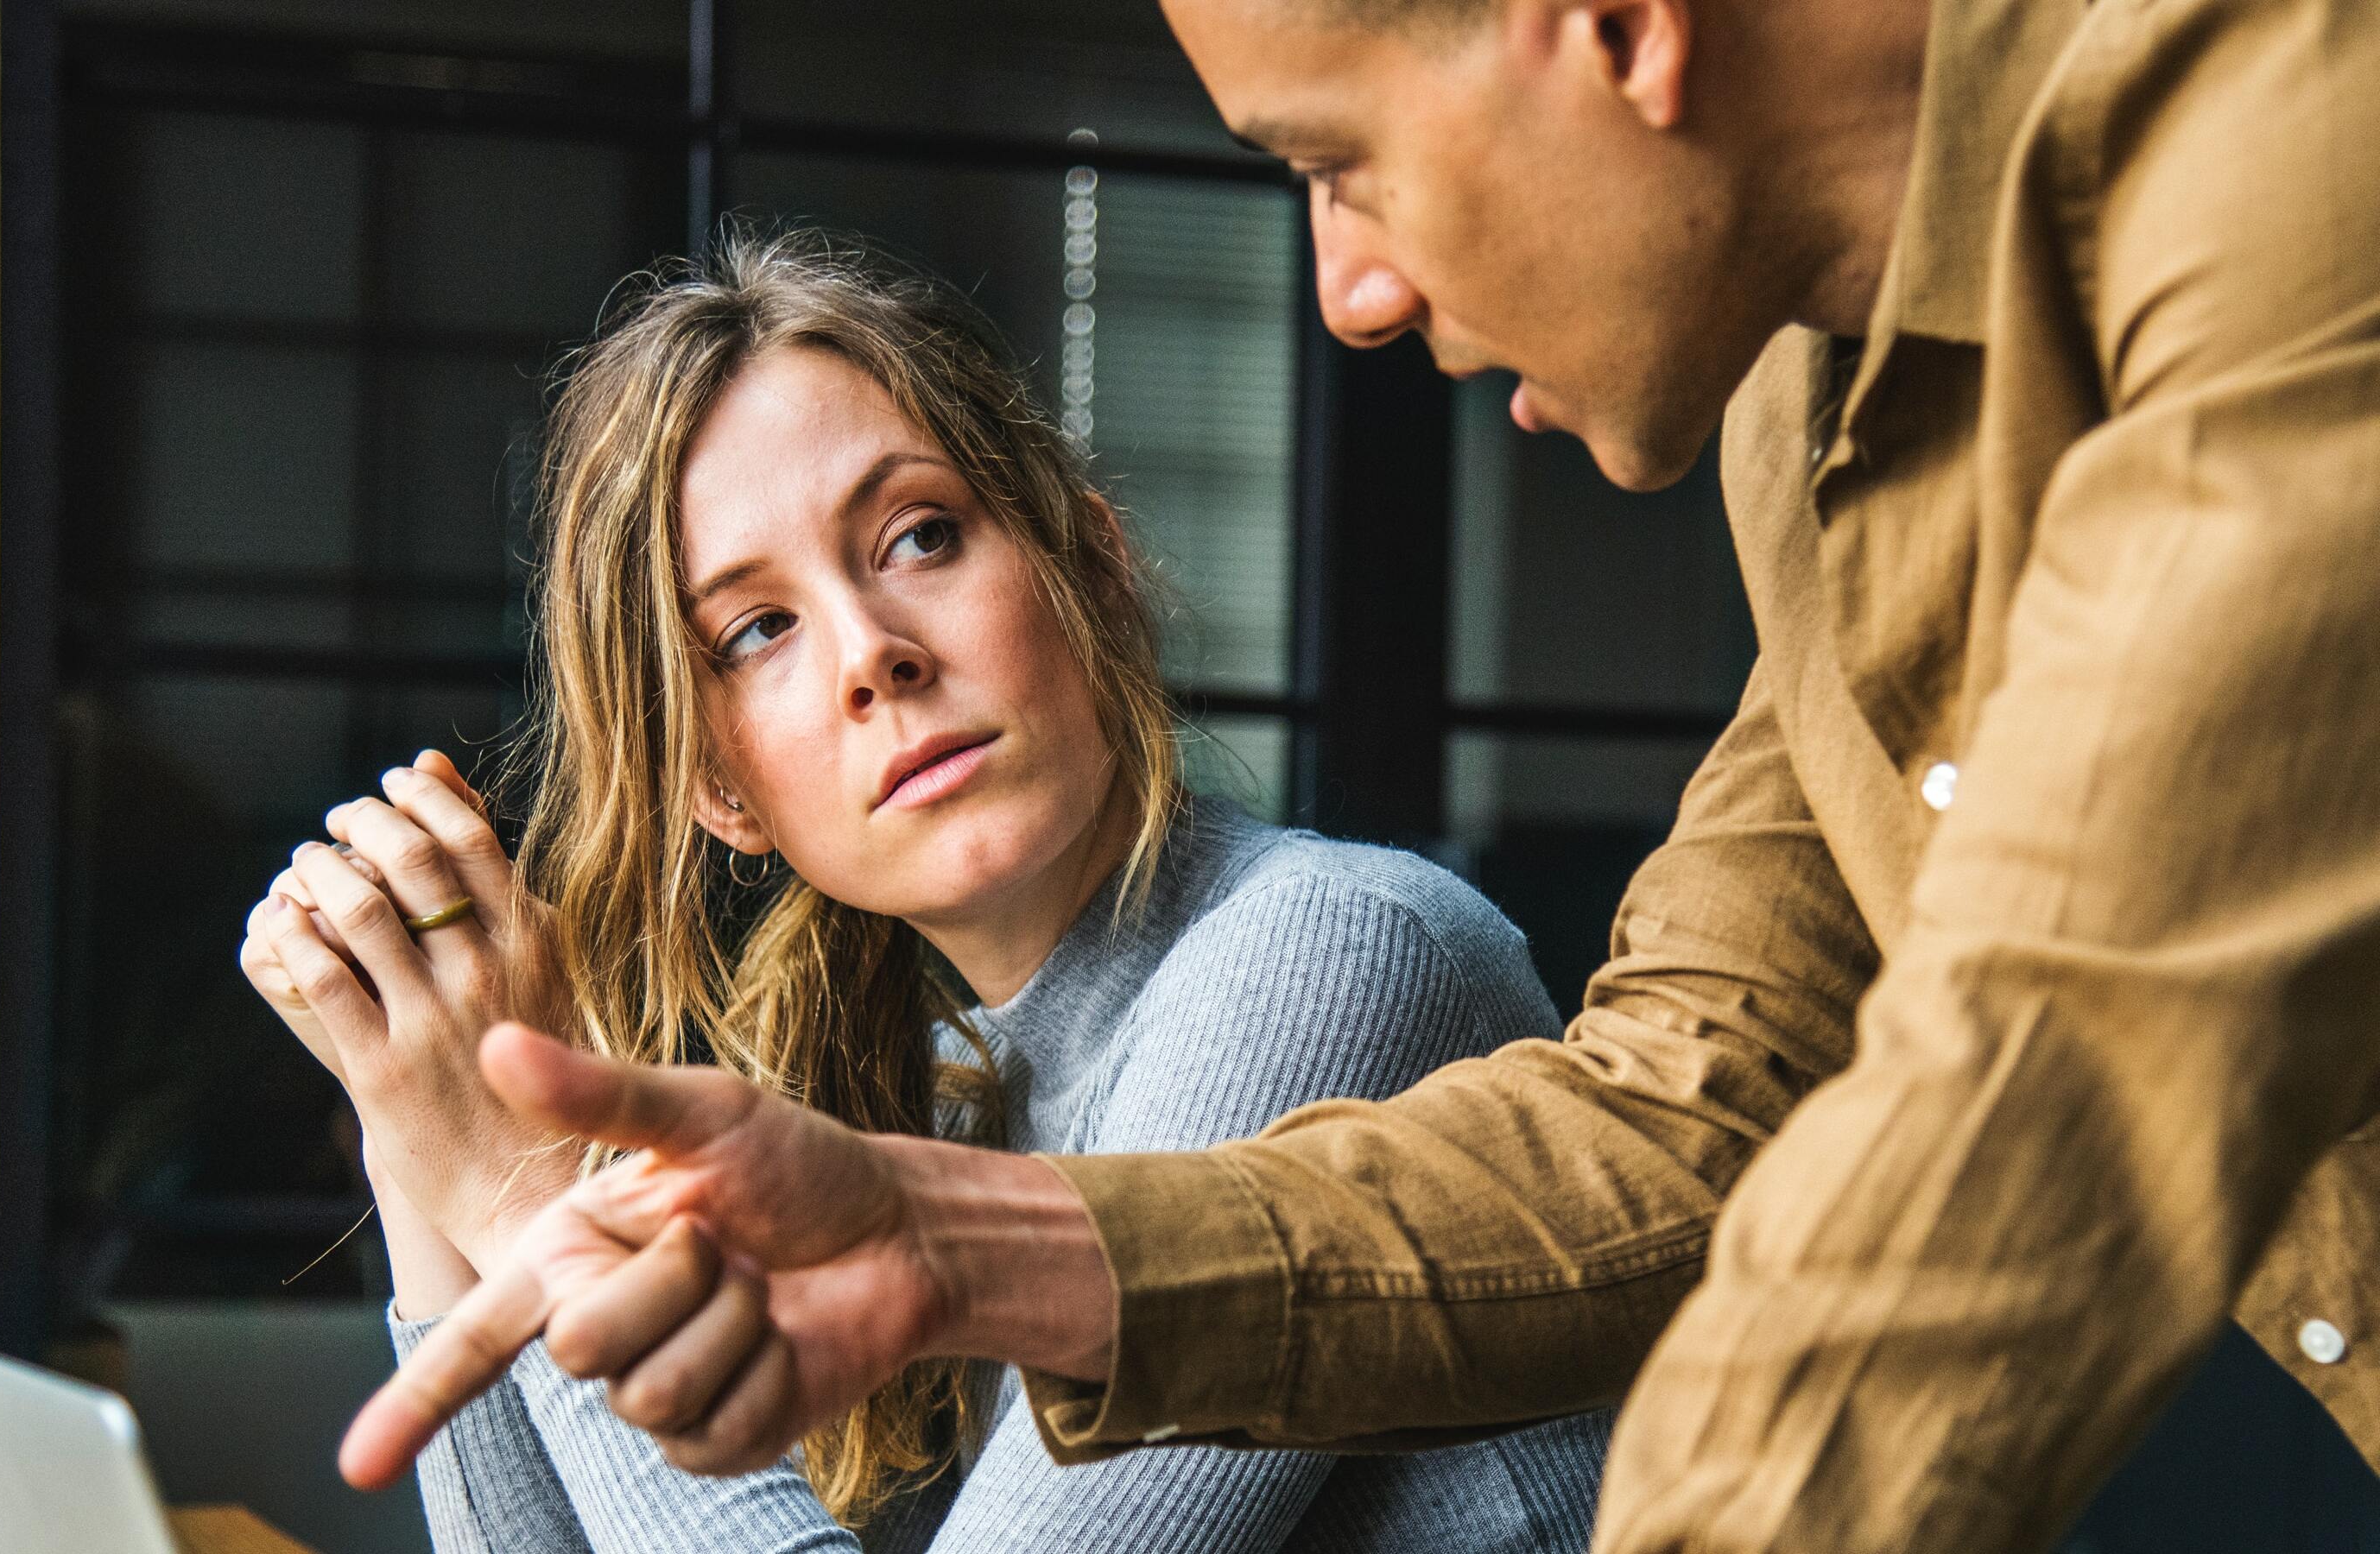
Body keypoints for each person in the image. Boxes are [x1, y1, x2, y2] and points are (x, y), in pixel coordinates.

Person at [349, 0, 2380, 1549]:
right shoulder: (1811, 413)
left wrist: (524, 1188)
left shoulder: (2300, 170)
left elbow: (2056, 1080)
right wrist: (965, 1243)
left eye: (1340, 162)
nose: (1353, 289)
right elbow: (1695, 1109)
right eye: (754, 630)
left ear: (1611, 23)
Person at [241, 231, 1614, 1551]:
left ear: (1093, 570)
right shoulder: (943, 1088)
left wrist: (528, 1197)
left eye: (918, 536)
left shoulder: (1329, 956)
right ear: (724, 794)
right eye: (759, 630)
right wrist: (415, 1109)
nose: (870, 653)